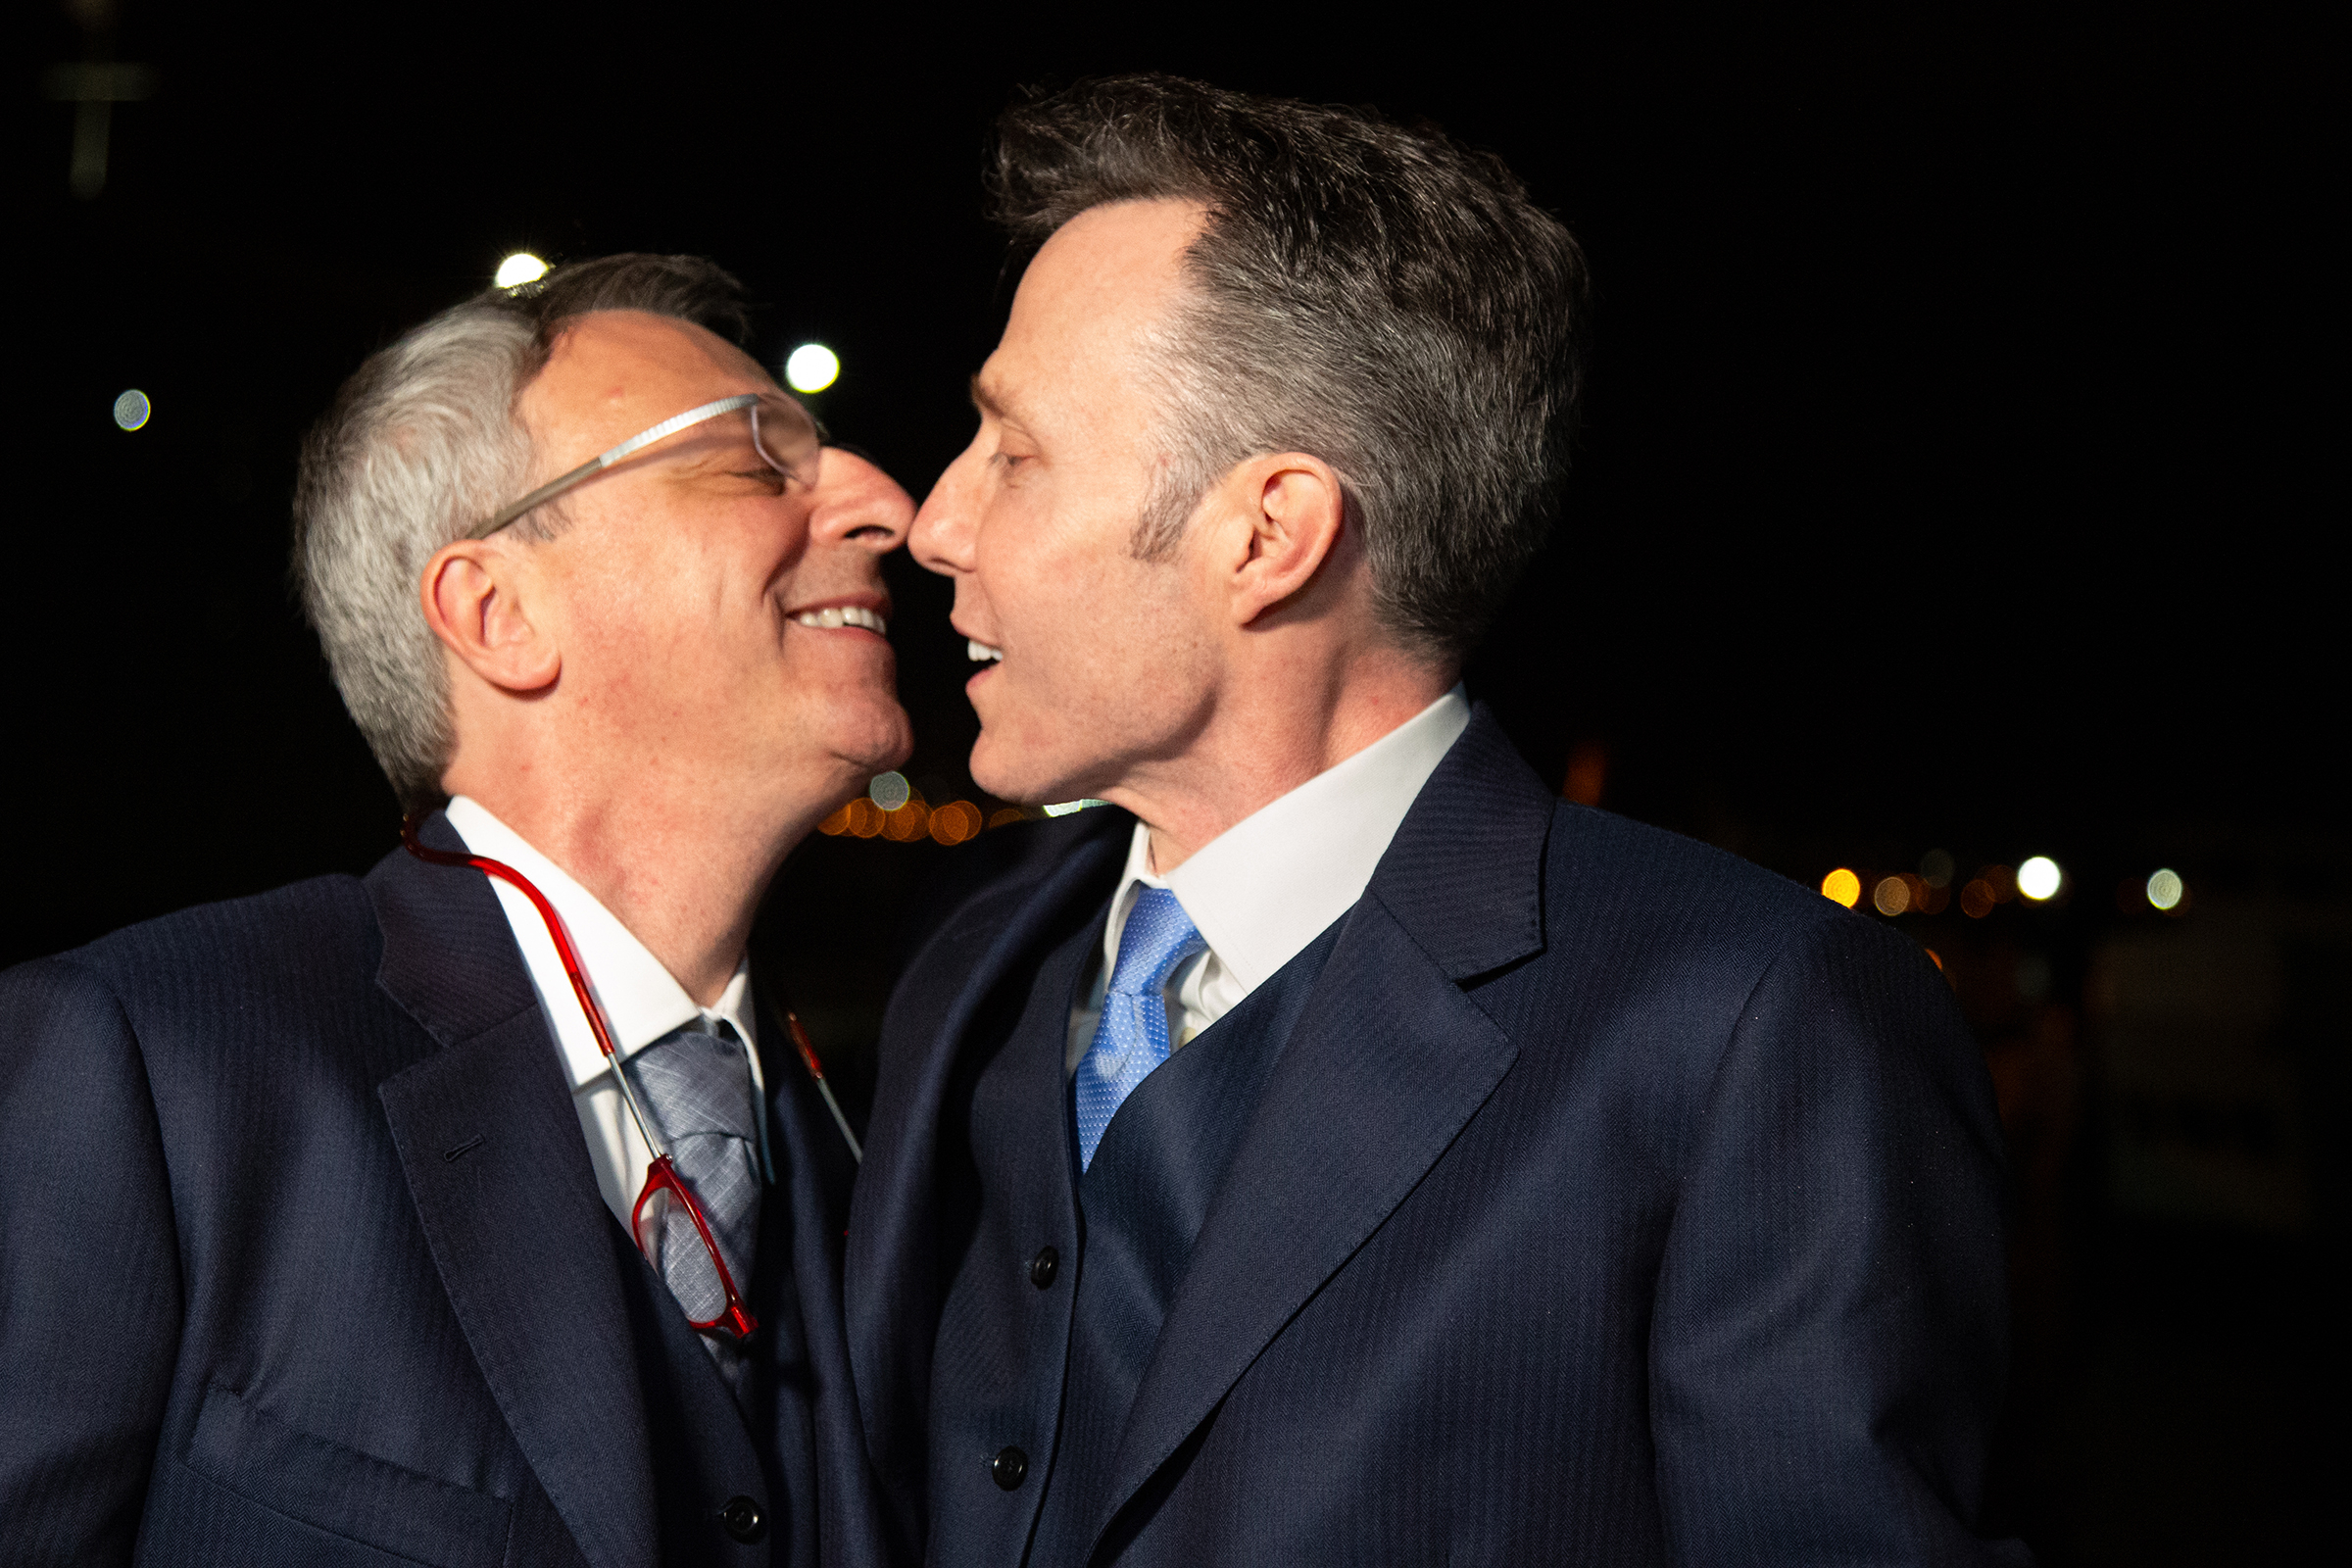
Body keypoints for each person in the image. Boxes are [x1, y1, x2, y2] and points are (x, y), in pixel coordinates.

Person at [846, 78, 2027, 1566]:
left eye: (1012, 453)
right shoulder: (975, 955)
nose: (937, 522)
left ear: (1269, 534)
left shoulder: (1750, 1029)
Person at [0, 255, 903, 1567]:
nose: (890, 505)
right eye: (755, 457)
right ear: (497, 612)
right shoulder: (148, 1067)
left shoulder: (894, 1135)